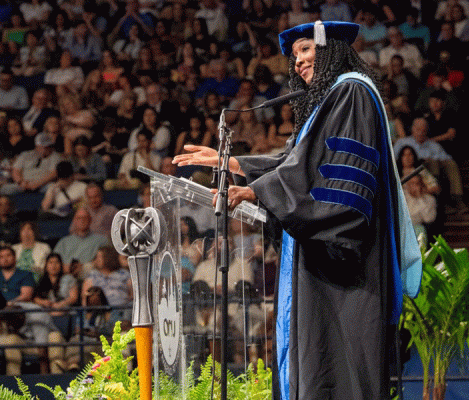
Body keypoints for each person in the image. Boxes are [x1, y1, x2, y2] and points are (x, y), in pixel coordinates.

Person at [173, 21, 421, 399]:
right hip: (322, 268)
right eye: (295, 55)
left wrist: (255, 192)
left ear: (332, 48)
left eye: (306, 49)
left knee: (338, 372)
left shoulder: (352, 92)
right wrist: (233, 164)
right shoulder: (332, 101)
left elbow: (333, 185)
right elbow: (296, 162)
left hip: (344, 273)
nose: (299, 61)